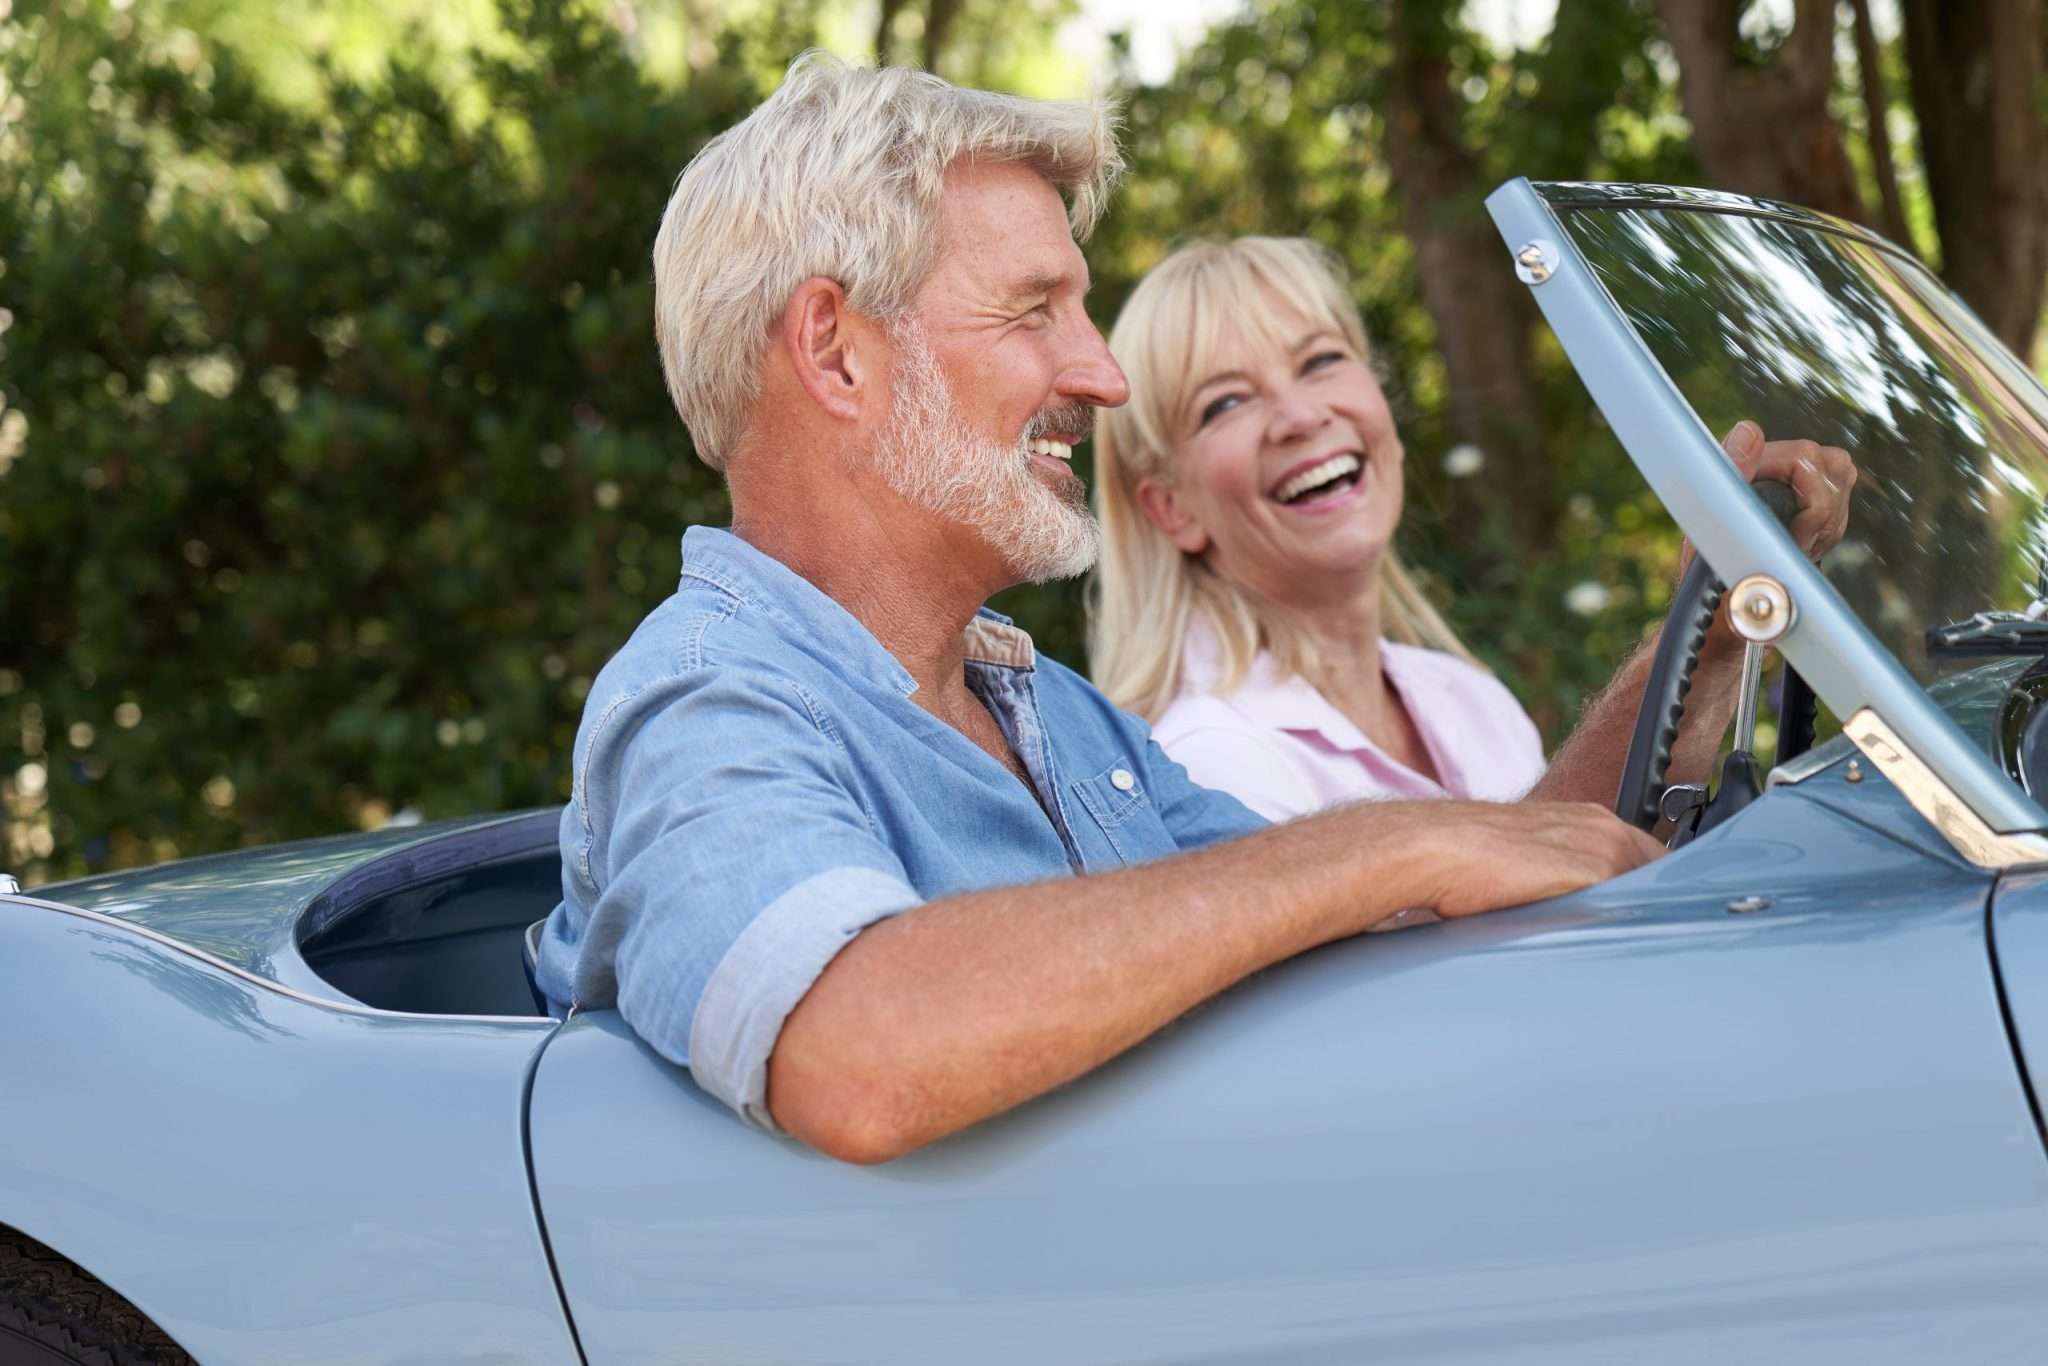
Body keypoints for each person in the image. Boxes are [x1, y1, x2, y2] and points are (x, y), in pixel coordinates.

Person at [534, 53, 1664, 1167]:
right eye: (1034, 313)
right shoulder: (701, 703)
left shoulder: (1055, 717)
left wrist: (1687, 661)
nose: (1102, 378)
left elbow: (1409, 924)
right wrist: (1393, 838)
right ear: (834, 353)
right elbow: (857, 1053)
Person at [1089, 236, 1855, 820]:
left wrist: (1714, 627)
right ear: (1170, 508)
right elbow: (1485, 983)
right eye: (1226, 404)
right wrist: (1700, 633)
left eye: (1321, 361)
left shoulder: (1466, 699)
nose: (1299, 415)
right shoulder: (1208, 758)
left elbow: (1629, 873)